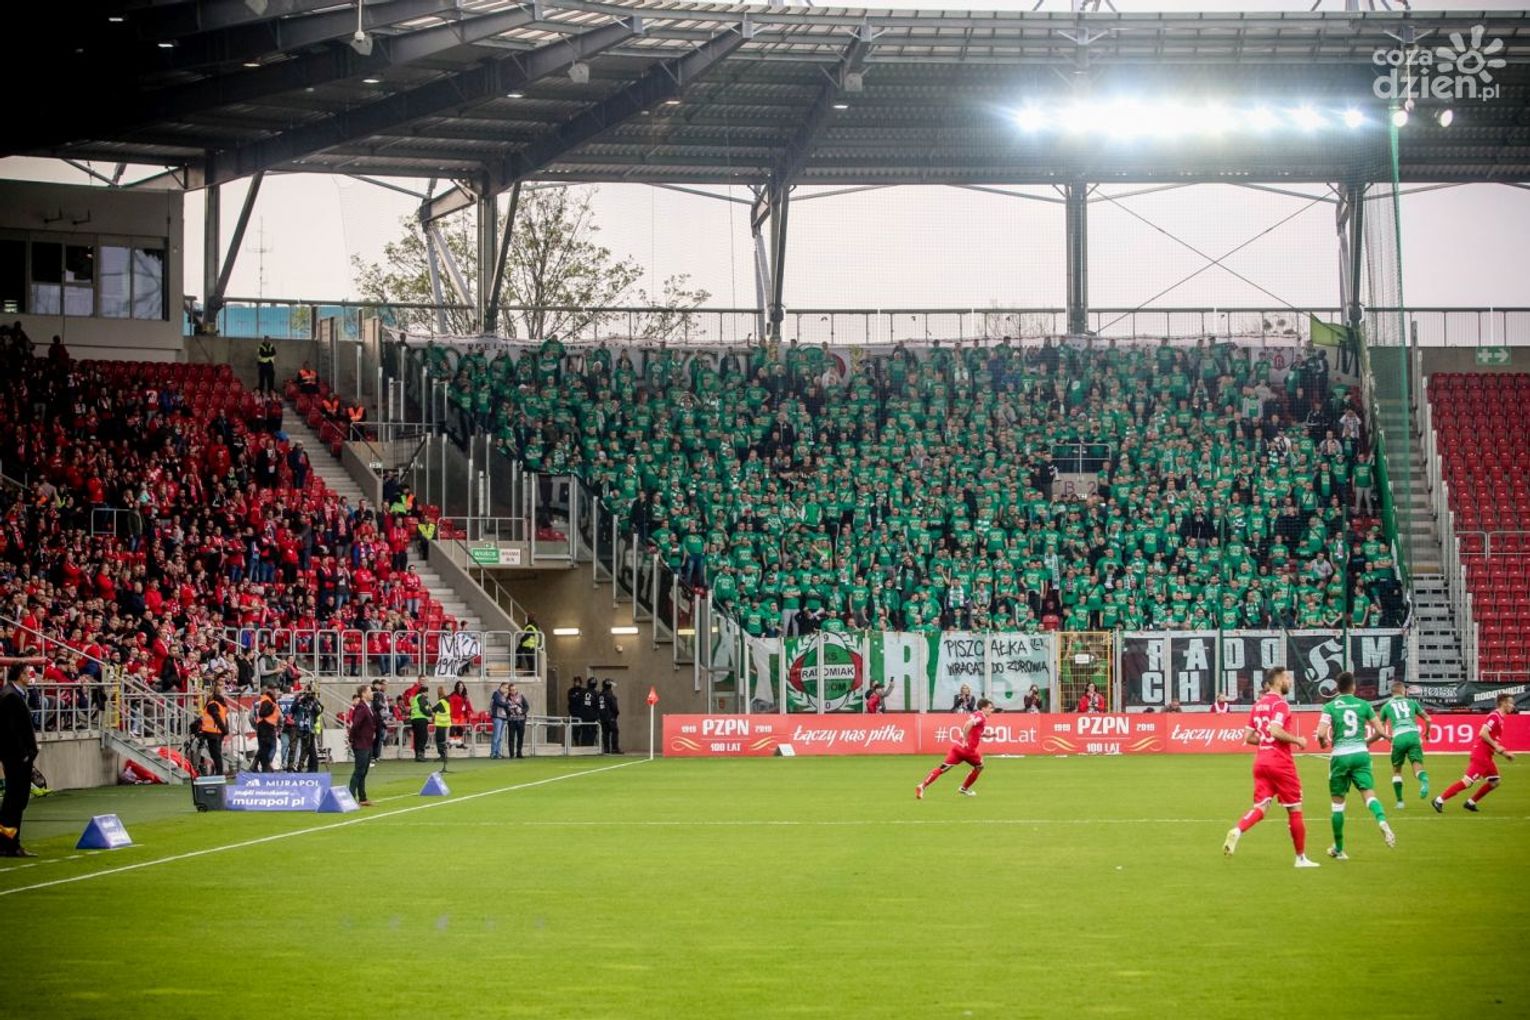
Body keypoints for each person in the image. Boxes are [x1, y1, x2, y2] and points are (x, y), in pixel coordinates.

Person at [1222, 667, 1320, 868]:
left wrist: (1266, 740)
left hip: (1261, 761)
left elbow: (1249, 737)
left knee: (1261, 807)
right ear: (1277, 681)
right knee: (1294, 808)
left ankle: (1238, 830)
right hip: (1280, 762)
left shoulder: (1257, 705)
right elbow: (1275, 730)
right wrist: (1298, 740)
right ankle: (1300, 858)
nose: (1289, 681)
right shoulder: (1280, 704)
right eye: (1287, 678)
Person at [1314, 671, 1395, 860]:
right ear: (1353, 687)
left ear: (1337, 688)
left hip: (1340, 756)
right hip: (1360, 754)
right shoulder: (1364, 705)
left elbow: (1321, 733)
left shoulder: (1330, 706)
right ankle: (1381, 821)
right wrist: (1367, 742)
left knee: (1337, 805)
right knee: (1369, 794)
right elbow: (1380, 731)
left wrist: (1323, 742)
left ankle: (1339, 849)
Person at [1433, 691, 1517, 813]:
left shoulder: (1500, 718)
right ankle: (1439, 800)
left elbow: (1493, 739)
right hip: (1481, 754)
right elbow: (1483, 733)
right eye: (1511, 703)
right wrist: (1497, 747)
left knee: (1495, 781)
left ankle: (1470, 802)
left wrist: (1504, 753)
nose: (1513, 706)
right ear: (1503, 703)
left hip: (1487, 755)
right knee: (1467, 782)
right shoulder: (1495, 716)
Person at [0, 663, 42, 857]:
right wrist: (24, 753)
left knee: (16, 800)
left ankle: (9, 842)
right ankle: (9, 843)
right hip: (15, 757)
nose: (30, 677)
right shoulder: (10, 696)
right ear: (19, 675)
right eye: (27, 673)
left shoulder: (14, 694)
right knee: (14, 801)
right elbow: (12, 729)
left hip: (17, 756)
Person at [916, 697, 992, 799]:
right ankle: (964, 788)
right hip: (968, 751)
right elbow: (969, 724)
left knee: (942, 768)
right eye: (990, 708)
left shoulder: (975, 714)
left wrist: (986, 735)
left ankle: (922, 786)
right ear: (983, 708)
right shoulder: (981, 717)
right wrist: (965, 739)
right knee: (980, 766)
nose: (991, 710)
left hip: (957, 747)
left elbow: (973, 730)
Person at [1378, 680, 1431, 808]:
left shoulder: (1386, 706)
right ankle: (1424, 781)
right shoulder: (1412, 702)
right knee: (1417, 765)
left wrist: (1386, 737)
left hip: (1398, 737)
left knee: (1397, 771)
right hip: (1413, 736)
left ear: (1392, 693)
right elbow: (1428, 719)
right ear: (1403, 691)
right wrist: (1427, 733)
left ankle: (1400, 802)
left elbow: (1379, 728)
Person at [347, 686, 376, 807]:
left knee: (364, 771)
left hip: (367, 743)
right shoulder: (361, 707)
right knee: (359, 771)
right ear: (364, 694)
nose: (372, 693)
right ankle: (350, 796)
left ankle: (362, 797)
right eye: (370, 691)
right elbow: (356, 724)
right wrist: (351, 739)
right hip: (361, 743)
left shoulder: (368, 707)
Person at [287, 688, 322, 773]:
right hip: (296, 725)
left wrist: (314, 702)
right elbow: (292, 710)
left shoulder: (313, 702)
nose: (308, 695)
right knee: (293, 747)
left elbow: (318, 712)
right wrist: (299, 700)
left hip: (308, 727)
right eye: (306, 693)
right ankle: (290, 766)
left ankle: (300, 766)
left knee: (305, 748)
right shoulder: (298, 699)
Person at [198, 688, 230, 776]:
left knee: (216, 755)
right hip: (217, 732)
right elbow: (223, 719)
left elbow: (218, 718)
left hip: (213, 733)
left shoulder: (212, 704)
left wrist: (224, 730)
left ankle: (219, 773)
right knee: (216, 755)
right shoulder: (220, 704)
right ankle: (219, 772)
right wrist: (225, 730)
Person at [253, 685, 281, 773]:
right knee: (270, 748)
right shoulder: (268, 701)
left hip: (264, 726)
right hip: (267, 726)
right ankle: (266, 765)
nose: (276, 692)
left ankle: (257, 765)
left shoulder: (264, 700)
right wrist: (271, 708)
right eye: (275, 690)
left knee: (263, 748)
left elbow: (252, 716)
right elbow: (263, 713)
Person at [408, 683, 432, 762]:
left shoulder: (415, 698)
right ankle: (421, 755)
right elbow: (422, 708)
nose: (427, 694)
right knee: (423, 737)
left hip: (414, 719)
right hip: (421, 719)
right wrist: (430, 714)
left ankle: (417, 755)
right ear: (423, 692)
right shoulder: (422, 698)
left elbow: (412, 710)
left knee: (417, 738)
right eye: (426, 692)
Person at [505, 683, 529, 759]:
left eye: (515, 689)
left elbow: (527, 707)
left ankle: (519, 752)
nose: (513, 691)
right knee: (511, 737)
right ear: (509, 691)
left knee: (520, 737)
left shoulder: (521, 697)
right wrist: (509, 711)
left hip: (521, 720)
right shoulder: (506, 699)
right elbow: (505, 708)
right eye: (512, 690)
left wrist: (521, 711)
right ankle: (511, 754)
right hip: (511, 720)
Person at [432, 685, 452, 771]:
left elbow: (434, 709)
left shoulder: (441, 701)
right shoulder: (446, 701)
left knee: (439, 740)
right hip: (446, 722)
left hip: (441, 723)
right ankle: (443, 756)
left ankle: (443, 756)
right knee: (443, 740)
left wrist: (429, 708)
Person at [490, 682, 511, 759]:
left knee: (500, 737)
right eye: (506, 688)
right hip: (497, 717)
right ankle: (493, 753)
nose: (507, 690)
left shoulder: (504, 696)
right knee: (496, 736)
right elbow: (499, 703)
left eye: (507, 688)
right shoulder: (496, 694)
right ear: (501, 687)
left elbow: (506, 706)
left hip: (503, 717)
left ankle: (498, 753)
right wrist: (507, 704)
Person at [600, 679, 620, 754]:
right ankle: (614, 748)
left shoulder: (601, 695)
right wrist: (616, 714)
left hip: (603, 717)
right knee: (614, 731)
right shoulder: (609, 695)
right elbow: (614, 706)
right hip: (610, 716)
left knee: (605, 733)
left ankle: (606, 749)